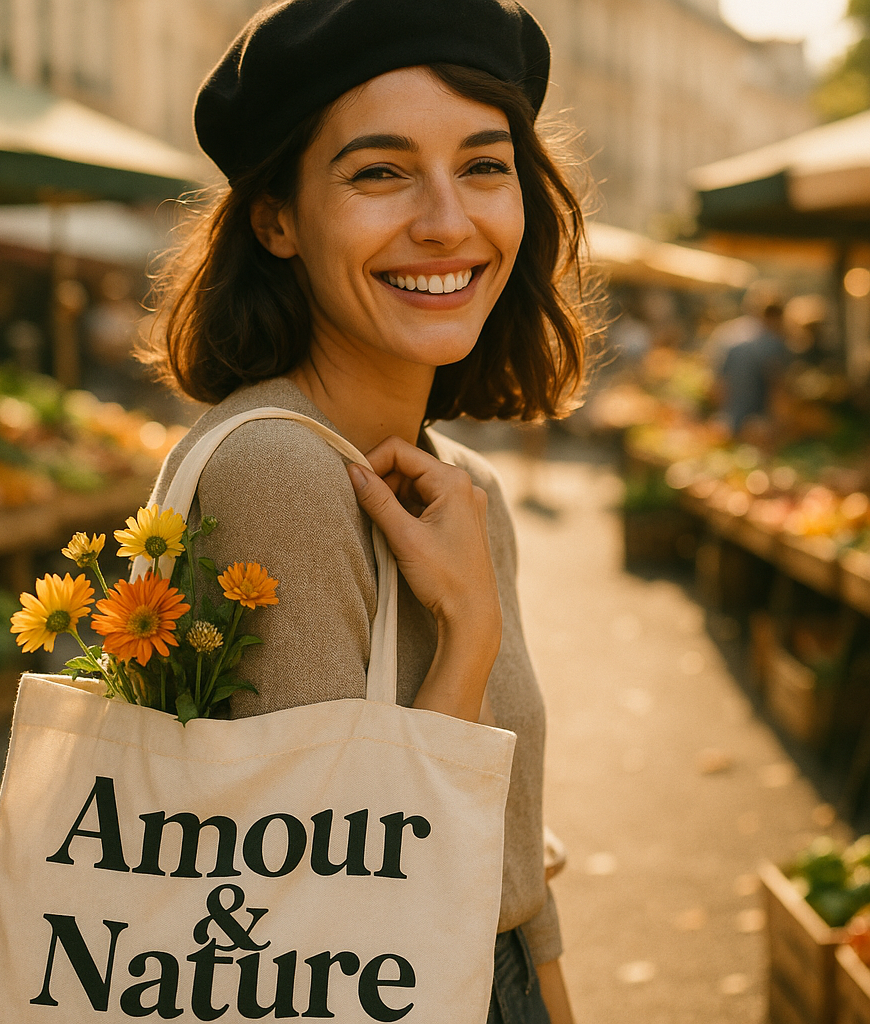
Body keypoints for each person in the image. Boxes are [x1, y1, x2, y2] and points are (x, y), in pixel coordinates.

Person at [142, 2, 593, 1020]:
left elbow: (513, 856)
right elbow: (316, 914)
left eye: (483, 166)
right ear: (277, 219)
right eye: (379, 172)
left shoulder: (455, 483)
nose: (445, 219)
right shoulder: (278, 474)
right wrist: (466, 637)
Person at [707, 281, 791, 437]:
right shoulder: (773, 343)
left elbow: (718, 386)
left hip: (730, 418)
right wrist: (780, 425)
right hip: (759, 423)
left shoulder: (726, 335)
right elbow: (777, 388)